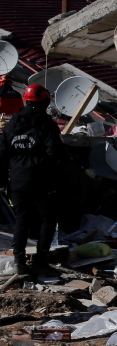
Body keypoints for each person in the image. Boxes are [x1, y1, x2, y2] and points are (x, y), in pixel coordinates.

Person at [0, 85, 63, 276]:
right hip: (41, 180)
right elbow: (56, 154)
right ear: (45, 102)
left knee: (22, 219)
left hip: (18, 181)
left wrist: (4, 181)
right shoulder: (47, 124)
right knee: (48, 218)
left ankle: (19, 261)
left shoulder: (11, 125)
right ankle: (40, 261)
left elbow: (2, 155)